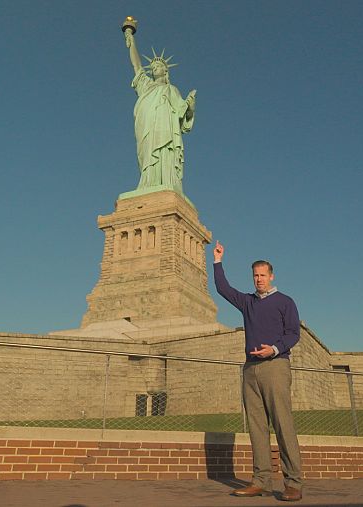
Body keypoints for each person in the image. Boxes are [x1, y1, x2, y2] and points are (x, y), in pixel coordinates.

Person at [212, 240, 303, 502]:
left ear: (271, 276)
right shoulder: (248, 303)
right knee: (257, 428)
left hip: (275, 367)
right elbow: (223, 289)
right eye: (255, 275)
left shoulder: (285, 302)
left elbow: (293, 334)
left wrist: (274, 349)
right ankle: (260, 481)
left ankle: (294, 483)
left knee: (283, 424)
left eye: (263, 275)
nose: (259, 279)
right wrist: (218, 260)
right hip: (250, 370)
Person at [124, 28, 196, 195]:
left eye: (158, 66)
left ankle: (167, 181)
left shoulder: (172, 90)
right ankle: (148, 182)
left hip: (166, 128)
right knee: (148, 153)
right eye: (153, 66)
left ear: (166, 70)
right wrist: (131, 42)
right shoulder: (146, 85)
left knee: (165, 152)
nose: (155, 68)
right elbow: (136, 65)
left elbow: (183, 117)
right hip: (147, 125)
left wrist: (190, 107)